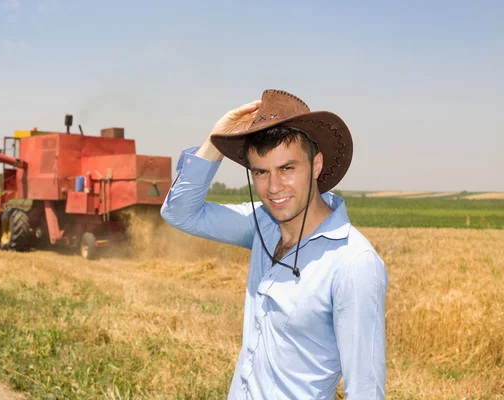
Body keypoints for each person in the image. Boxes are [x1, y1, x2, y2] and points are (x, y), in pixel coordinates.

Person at [161, 89, 388, 399]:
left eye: (287, 168)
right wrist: (215, 142)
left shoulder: (352, 263)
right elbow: (180, 213)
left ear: (316, 165)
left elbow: (365, 389)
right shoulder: (262, 225)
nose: (273, 187)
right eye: (260, 172)